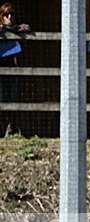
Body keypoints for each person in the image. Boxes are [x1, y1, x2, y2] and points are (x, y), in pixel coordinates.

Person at [0, 2, 30, 136]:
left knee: (13, 97)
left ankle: (12, 128)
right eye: (6, 14)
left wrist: (16, 29)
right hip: (2, 66)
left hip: (13, 65)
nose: (10, 17)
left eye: (12, 14)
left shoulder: (16, 29)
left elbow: (24, 29)